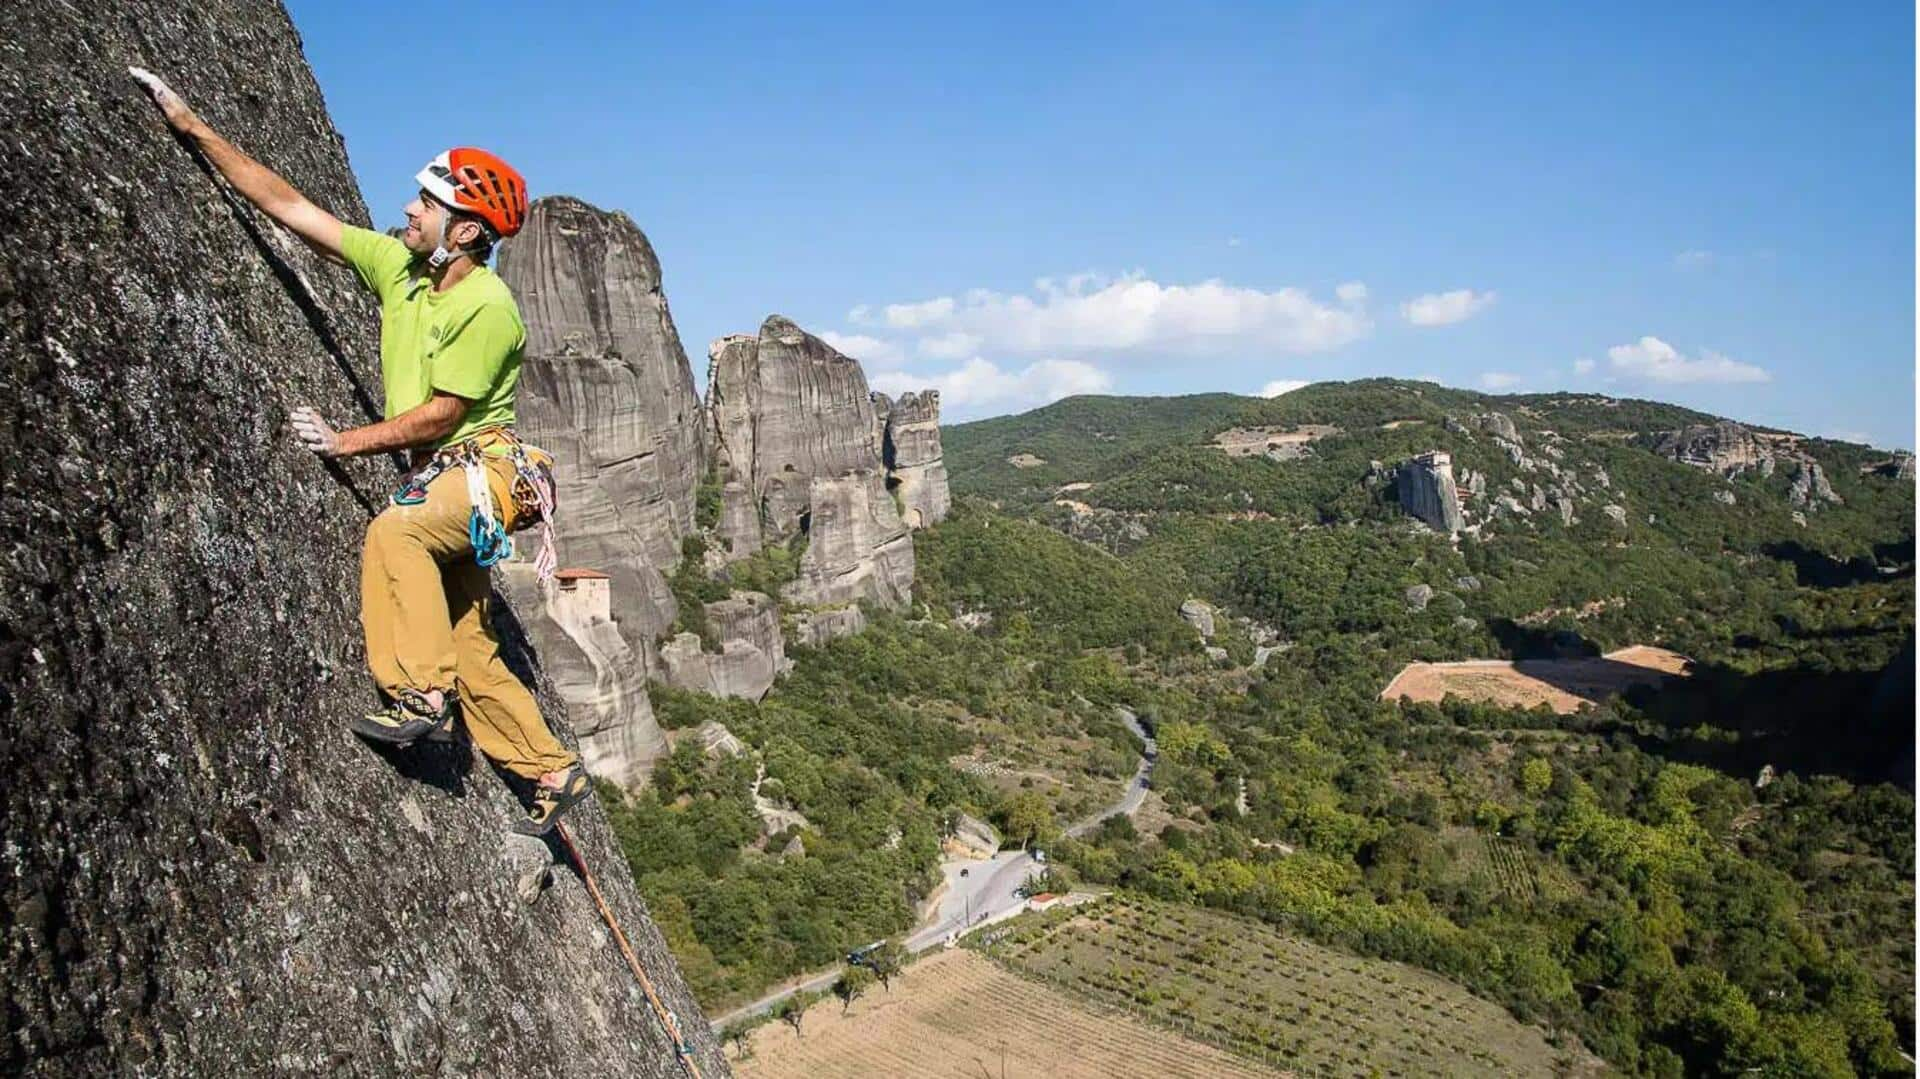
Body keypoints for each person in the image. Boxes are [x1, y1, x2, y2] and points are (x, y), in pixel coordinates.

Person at [131, 67, 590, 836]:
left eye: (429, 202)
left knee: (396, 532)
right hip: (455, 482)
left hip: (485, 474)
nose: (410, 209)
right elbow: (292, 208)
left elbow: (440, 414)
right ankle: (551, 768)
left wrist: (344, 441)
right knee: (470, 641)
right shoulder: (401, 271)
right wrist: (194, 127)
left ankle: (418, 696)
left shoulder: (488, 306)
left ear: (467, 230)